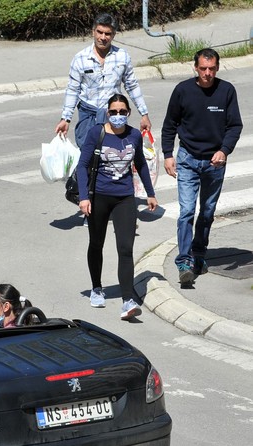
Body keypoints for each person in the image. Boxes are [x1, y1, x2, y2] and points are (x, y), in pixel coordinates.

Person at [161, 48, 243, 285]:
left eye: (212, 69)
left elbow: (234, 126)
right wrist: (168, 155)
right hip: (187, 159)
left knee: (207, 212)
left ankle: (199, 254)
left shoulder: (226, 91)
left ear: (217, 68)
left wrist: (224, 150)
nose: (207, 73)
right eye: (203, 68)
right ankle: (184, 261)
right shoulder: (183, 91)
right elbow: (170, 125)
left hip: (214, 163)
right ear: (195, 68)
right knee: (187, 211)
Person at [77, 94, 159, 320]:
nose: (118, 116)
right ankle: (96, 287)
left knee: (125, 248)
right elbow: (82, 166)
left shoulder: (134, 135)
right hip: (99, 197)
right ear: (107, 112)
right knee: (96, 243)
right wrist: (84, 198)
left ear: (128, 113)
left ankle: (127, 299)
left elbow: (140, 164)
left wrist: (150, 193)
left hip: (125, 198)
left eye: (123, 112)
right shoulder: (97, 133)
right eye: (113, 112)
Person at [55, 13, 151, 149]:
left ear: (113, 35)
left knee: (115, 155)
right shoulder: (80, 58)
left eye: (108, 34)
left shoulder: (122, 56)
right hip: (88, 115)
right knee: (87, 159)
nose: (103, 38)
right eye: (99, 32)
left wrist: (144, 114)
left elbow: (132, 85)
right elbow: (73, 90)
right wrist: (66, 119)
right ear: (93, 32)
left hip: (114, 115)